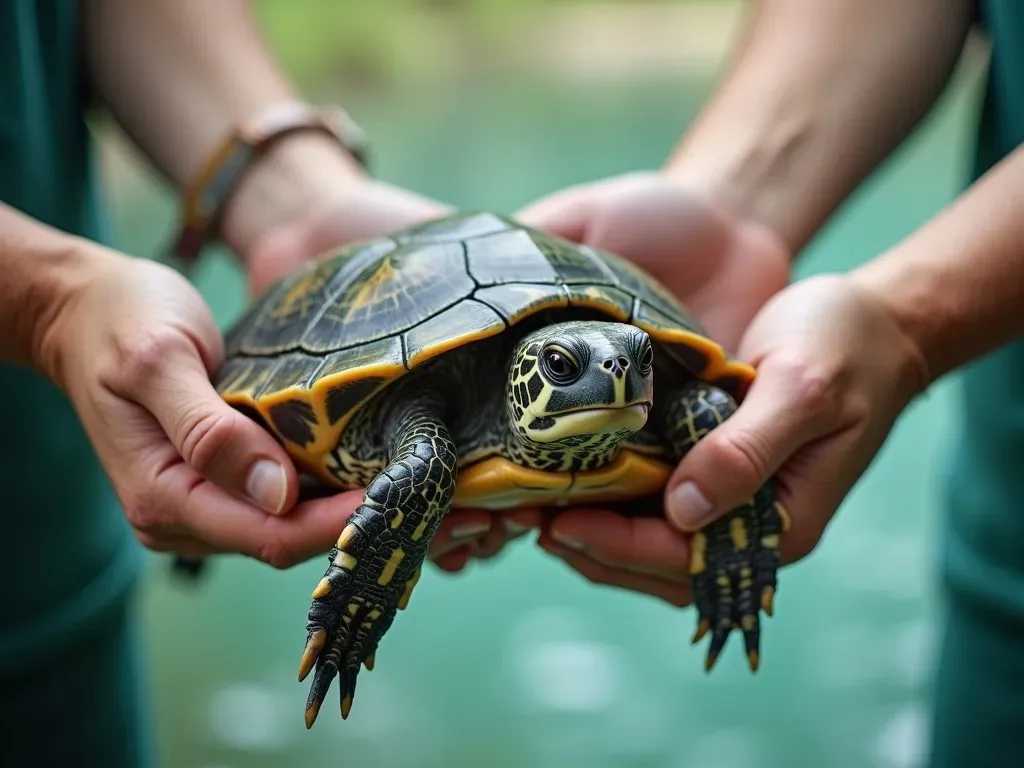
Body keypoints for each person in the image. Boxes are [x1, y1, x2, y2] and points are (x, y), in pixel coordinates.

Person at [458, 2, 1019, 766]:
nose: (619, 375)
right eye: (564, 369)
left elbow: (703, 402)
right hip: (1002, 555)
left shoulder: (666, 403)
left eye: (636, 360)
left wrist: (904, 326)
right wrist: (736, 204)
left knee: (706, 416)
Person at [0, 2, 501, 764]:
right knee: (423, 461)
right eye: (564, 369)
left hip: (62, 583)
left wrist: (298, 203)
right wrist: (48, 303)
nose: (613, 378)